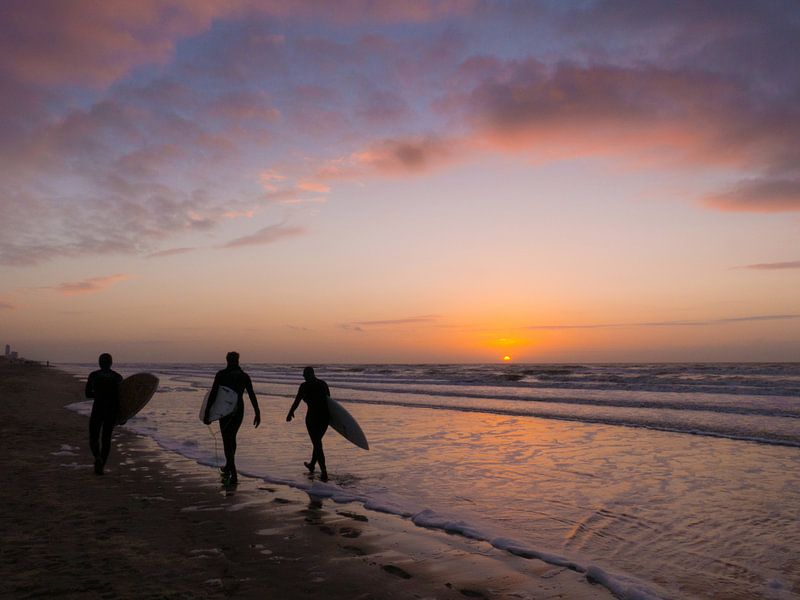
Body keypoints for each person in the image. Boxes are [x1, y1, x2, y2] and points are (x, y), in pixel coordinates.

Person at [203, 351, 260, 485]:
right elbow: (251, 395)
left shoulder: (222, 375)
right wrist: (257, 412)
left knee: (227, 439)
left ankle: (233, 473)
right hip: (239, 409)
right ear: (238, 360)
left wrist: (207, 412)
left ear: (227, 360)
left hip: (225, 410)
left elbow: (214, 394)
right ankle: (229, 466)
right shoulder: (244, 376)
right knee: (232, 437)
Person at [286, 366, 330, 481]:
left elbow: (297, 400)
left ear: (309, 374)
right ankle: (312, 465)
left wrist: (290, 413)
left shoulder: (304, 386)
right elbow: (329, 401)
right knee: (317, 442)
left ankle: (324, 471)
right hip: (325, 418)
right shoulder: (323, 384)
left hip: (313, 418)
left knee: (317, 444)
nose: (303, 377)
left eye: (305, 375)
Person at [85, 353, 123, 475]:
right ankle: (102, 465)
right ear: (111, 363)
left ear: (99, 363)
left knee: (93, 437)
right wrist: (123, 416)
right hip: (111, 411)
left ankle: (97, 457)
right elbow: (122, 398)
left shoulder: (94, 375)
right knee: (106, 438)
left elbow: (87, 394)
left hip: (98, 409)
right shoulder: (117, 377)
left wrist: (99, 394)